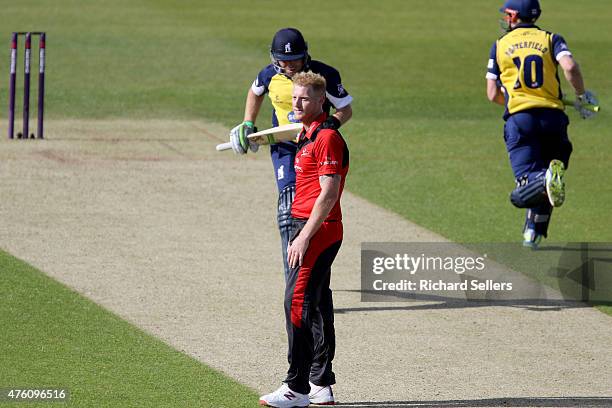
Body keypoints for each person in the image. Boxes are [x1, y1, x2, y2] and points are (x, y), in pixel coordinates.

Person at [230, 28, 352, 277]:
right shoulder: (268, 75)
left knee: (315, 207)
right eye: (283, 59)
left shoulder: (323, 75)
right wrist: (247, 123)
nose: (288, 64)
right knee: (288, 207)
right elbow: (255, 93)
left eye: (294, 58)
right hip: (284, 147)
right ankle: (293, 276)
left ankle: (314, 270)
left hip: (316, 147)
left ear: (305, 55)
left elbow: (345, 108)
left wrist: (332, 123)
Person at [259, 72, 349, 407]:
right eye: (294, 98)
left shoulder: (326, 138)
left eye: (304, 99)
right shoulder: (307, 133)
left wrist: (303, 237)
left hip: (317, 229)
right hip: (310, 226)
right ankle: (319, 383)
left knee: (296, 302)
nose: (296, 104)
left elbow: (329, 193)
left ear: (321, 101)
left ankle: (295, 387)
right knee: (315, 302)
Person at [486, 0, 598, 248]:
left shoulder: (499, 45)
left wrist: (514, 100)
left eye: (507, 15)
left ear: (514, 16)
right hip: (553, 118)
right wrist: (581, 95)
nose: (505, 18)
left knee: (525, 188)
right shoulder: (551, 38)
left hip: (521, 120)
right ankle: (533, 232)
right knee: (550, 179)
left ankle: (537, 209)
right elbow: (569, 66)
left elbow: (492, 93)